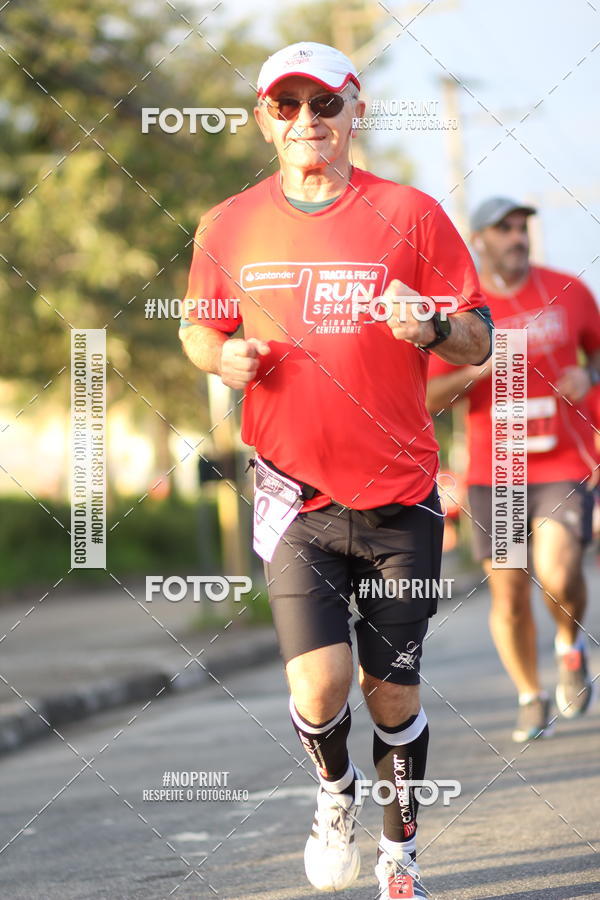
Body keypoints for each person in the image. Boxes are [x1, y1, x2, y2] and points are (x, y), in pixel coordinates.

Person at [180, 41, 491, 899]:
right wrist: (221, 356)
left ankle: (400, 856)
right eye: (288, 106)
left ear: (357, 111)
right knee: (318, 690)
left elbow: (481, 336)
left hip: (400, 498)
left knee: (391, 694)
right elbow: (197, 326)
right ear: (264, 119)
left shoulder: (412, 213)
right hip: (292, 493)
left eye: (325, 104)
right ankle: (333, 792)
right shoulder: (228, 223)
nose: (308, 121)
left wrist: (429, 329)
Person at [427, 197, 600, 743]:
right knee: (508, 594)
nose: (517, 237)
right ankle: (530, 694)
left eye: (523, 226)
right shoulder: (461, 312)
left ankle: (569, 644)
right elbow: (428, 397)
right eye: (504, 229)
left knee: (558, 567)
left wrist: (587, 378)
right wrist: (480, 369)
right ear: (479, 240)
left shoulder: (568, 290)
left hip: (560, 462)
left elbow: (598, 355)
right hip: (496, 472)